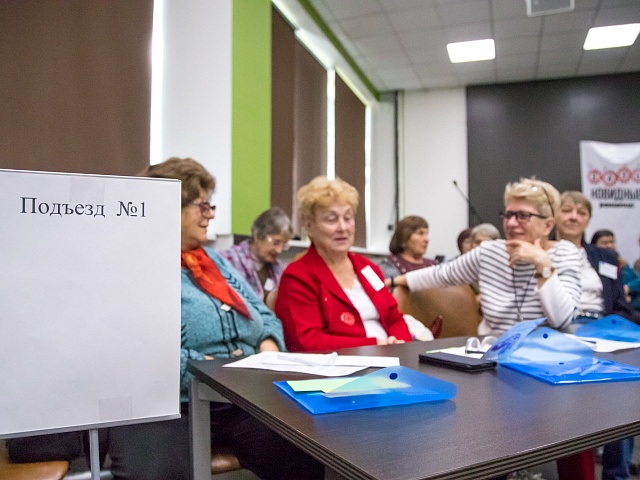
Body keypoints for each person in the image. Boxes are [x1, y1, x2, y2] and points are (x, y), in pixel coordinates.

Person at [94, 158, 323, 480]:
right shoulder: (133, 266)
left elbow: (265, 317)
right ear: (170, 206)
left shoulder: (213, 260)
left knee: (306, 452)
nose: (212, 214)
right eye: (203, 206)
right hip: (172, 403)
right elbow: (139, 353)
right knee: (158, 474)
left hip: (240, 396)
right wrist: (226, 368)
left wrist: (268, 349)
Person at [392, 177, 581, 336]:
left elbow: (561, 319)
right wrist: (392, 281)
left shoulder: (565, 253)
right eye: (508, 215)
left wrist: (543, 264)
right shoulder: (490, 252)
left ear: (548, 225)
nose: (511, 223)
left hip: (547, 356)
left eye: (522, 216)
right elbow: (442, 274)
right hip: (493, 354)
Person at [275, 176, 413, 352]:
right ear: (310, 227)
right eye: (331, 219)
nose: (343, 227)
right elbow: (308, 342)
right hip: (338, 370)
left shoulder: (368, 268)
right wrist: (373, 345)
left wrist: (398, 342)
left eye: (348, 218)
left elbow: (395, 318)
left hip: (389, 359)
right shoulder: (298, 276)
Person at [555, 191, 637, 480]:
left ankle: (617, 474)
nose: (574, 216)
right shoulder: (544, 251)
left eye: (581, 211)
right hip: (562, 331)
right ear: (554, 214)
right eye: (567, 210)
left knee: (624, 388)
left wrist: (618, 331)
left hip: (604, 330)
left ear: (588, 219)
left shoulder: (605, 256)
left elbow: (621, 307)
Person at [219, 207, 292, 302]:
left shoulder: (278, 269)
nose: (279, 250)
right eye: (276, 242)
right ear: (258, 235)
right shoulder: (228, 260)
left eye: (284, 245)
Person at [591, 229, 640, 311]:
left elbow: (637, 280)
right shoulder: (594, 264)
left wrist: (628, 287)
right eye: (605, 243)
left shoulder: (621, 262)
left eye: (612, 242)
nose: (609, 245)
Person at [378, 215, 438, 280]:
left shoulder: (434, 265)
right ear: (404, 237)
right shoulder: (389, 265)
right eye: (420, 233)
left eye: (427, 234)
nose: (426, 240)